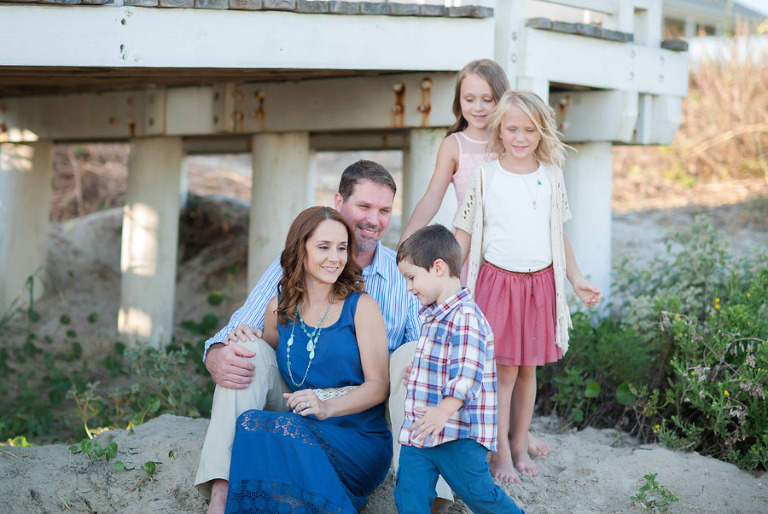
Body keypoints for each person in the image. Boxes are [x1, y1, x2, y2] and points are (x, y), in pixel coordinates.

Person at [196, 160, 452, 512]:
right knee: (243, 348)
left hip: (371, 410)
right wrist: (218, 351)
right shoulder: (285, 278)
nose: (374, 220)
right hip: (297, 399)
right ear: (339, 203)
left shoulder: (399, 276)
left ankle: (428, 499)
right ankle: (222, 492)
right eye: (364, 207)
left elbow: (432, 344)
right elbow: (247, 330)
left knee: (415, 356)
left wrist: (430, 365)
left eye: (384, 211)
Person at [454, 90, 603, 484]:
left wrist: (577, 278)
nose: (520, 137)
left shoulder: (551, 176)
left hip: (540, 286)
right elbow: (464, 232)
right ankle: (499, 452)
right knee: (502, 373)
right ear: (499, 129)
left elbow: (559, 234)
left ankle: (520, 445)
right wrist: (445, 276)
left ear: (542, 132)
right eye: (512, 129)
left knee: (528, 371)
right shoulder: (484, 176)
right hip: (498, 284)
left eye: (529, 130)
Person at [219, 206, 391, 513]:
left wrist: (327, 407)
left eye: (341, 248)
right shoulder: (279, 308)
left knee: (286, 433)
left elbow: (378, 386)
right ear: (302, 250)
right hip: (304, 426)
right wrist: (245, 335)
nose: (335, 257)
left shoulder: (362, 306)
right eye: (323, 247)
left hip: (356, 437)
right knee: (250, 425)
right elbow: (269, 359)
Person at [394, 225, 523, 514]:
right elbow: (442, 366)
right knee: (409, 491)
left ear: (437, 267)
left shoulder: (466, 317)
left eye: (412, 277)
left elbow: (467, 376)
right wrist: (415, 376)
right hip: (422, 430)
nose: (409, 287)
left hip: (458, 432)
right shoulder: (432, 316)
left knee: (479, 493)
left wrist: (442, 411)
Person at [398, 59, 509, 252]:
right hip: (467, 247)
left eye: (487, 99)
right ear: (459, 100)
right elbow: (432, 198)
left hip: (507, 245)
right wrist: (405, 242)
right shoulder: (453, 146)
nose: (478, 107)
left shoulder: (512, 142)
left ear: (501, 99)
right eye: (469, 99)